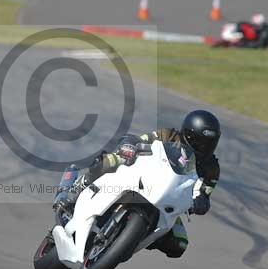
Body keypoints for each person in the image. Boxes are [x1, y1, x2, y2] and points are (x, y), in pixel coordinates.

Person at [53, 110, 221, 259]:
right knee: (110, 160)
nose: (204, 147)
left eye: (209, 143)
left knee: (179, 244)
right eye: (200, 141)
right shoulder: (169, 135)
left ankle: (131, 239)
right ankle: (77, 188)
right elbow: (141, 139)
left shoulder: (211, 167)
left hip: (168, 200)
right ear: (188, 134)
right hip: (143, 177)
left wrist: (202, 202)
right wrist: (130, 145)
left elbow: (205, 192)